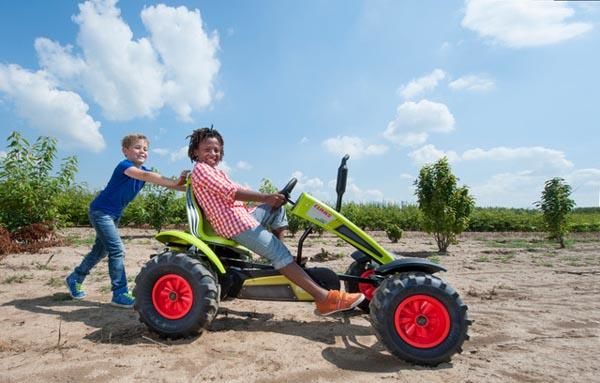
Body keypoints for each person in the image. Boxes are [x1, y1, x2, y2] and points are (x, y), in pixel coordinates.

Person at [187, 127, 365, 316]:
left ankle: (282, 258)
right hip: (232, 223)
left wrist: (274, 198)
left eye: (217, 150)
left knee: (276, 208)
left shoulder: (216, 172)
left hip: (240, 215)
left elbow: (240, 189)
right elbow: (232, 192)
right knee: (278, 252)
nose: (213, 153)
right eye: (207, 149)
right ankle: (323, 299)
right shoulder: (202, 170)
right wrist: (265, 197)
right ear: (195, 151)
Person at [65, 133, 188, 308]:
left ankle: (75, 278)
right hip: (101, 212)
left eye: (145, 149)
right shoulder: (125, 166)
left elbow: (165, 183)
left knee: (99, 251)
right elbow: (148, 177)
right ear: (125, 151)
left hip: (113, 215)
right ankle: (119, 292)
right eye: (137, 147)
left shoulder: (144, 172)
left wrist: (189, 188)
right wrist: (176, 181)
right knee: (117, 250)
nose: (142, 151)